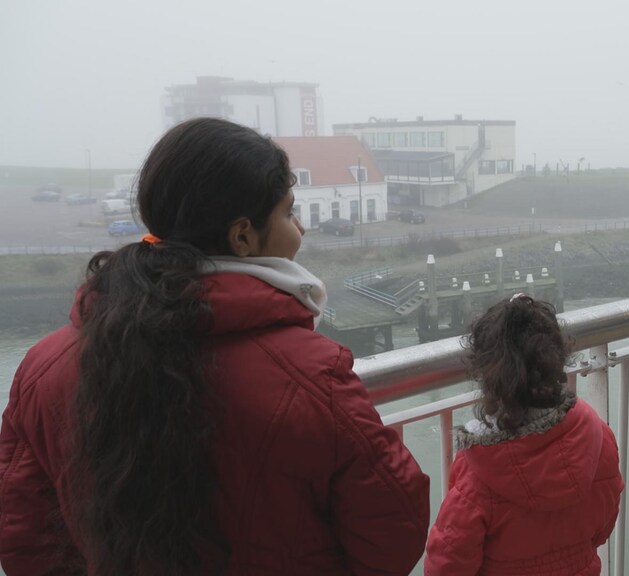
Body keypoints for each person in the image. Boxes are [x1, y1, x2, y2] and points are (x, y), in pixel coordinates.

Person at [0, 118, 430, 575]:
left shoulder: (44, 366)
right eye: (288, 213)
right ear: (242, 236)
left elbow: (23, 534)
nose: (300, 228)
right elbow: (393, 533)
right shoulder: (311, 374)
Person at [424, 294, 624, 576]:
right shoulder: (597, 436)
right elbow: (603, 524)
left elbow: (447, 563)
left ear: (488, 375)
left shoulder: (480, 470)